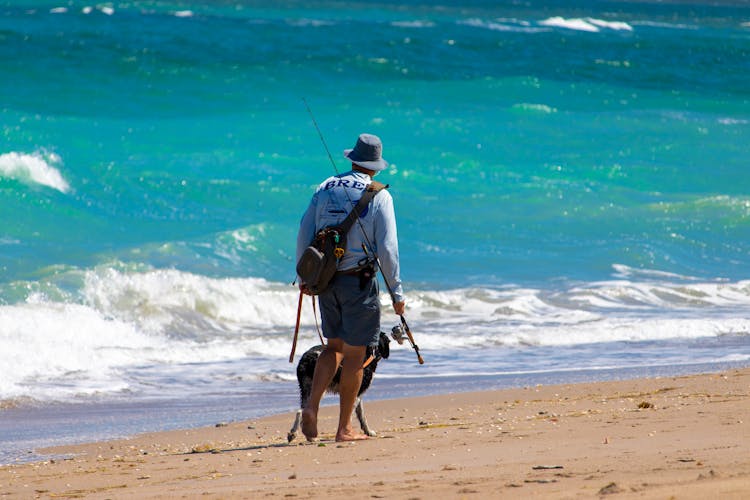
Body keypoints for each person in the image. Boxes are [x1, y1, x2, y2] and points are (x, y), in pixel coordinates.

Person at [296, 133, 405, 442]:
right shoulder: (380, 195)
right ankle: (344, 429)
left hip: (326, 279)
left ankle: (312, 407)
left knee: (333, 348)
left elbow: (304, 232)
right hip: (359, 281)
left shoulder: (324, 187)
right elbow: (388, 249)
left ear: (352, 158)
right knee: (356, 355)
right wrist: (397, 293)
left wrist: (304, 276)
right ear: (376, 166)